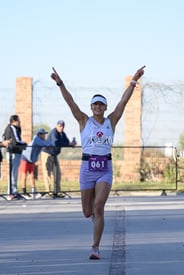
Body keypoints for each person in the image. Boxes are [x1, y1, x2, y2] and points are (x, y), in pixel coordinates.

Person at [50, 65, 145, 260]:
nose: (98, 107)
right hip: (87, 168)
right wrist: (60, 83)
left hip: (105, 168)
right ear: (91, 107)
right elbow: (70, 102)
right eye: (95, 105)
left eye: (101, 105)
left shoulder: (112, 121)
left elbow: (123, 102)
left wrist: (133, 81)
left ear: (105, 108)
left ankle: (95, 247)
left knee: (99, 206)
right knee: (87, 212)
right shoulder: (84, 120)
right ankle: (93, 215)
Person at [41, 120, 76, 197]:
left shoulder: (62, 134)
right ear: (57, 126)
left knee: (57, 173)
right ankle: (49, 192)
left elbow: (66, 142)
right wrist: (68, 144)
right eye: (60, 126)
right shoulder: (54, 132)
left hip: (54, 154)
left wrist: (71, 144)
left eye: (62, 126)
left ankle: (57, 191)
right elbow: (55, 143)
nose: (61, 127)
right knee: (47, 173)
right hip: (47, 154)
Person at [19, 128, 54, 199]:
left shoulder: (41, 140)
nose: (44, 136)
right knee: (24, 175)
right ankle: (24, 192)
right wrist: (49, 145)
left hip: (31, 160)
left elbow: (47, 144)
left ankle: (33, 191)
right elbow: (46, 144)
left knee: (32, 176)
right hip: (25, 158)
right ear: (39, 134)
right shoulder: (37, 139)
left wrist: (50, 145)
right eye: (43, 134)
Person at [2, 115, 27, 200]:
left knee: (15, 173)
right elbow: (16, 140)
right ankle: (10, 193)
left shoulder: (16, 128)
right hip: (13, 152)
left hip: (17, 152)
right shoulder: (11, 128)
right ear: (15, 121)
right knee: (13, 173)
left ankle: (14, 191)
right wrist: (24, 143)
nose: (19, 122)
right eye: (18, 120)